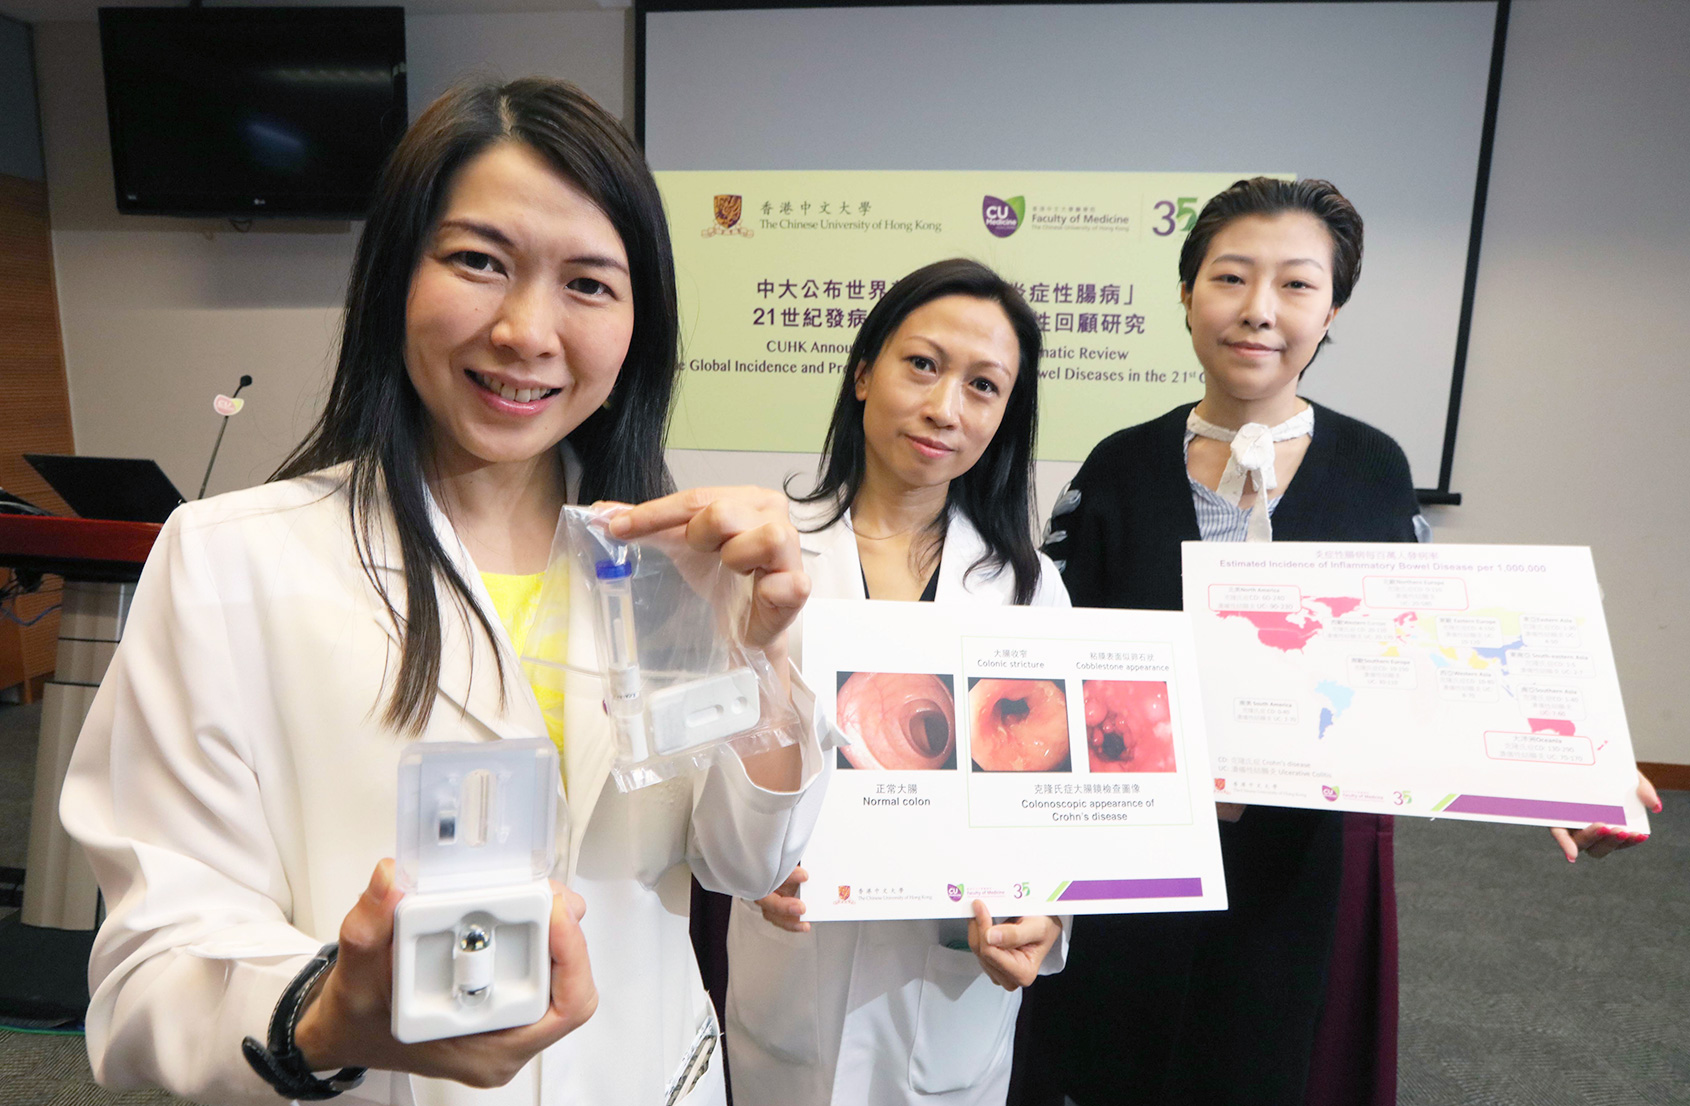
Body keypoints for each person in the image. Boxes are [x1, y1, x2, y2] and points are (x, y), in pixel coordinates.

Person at [60, 78, 828, 1106]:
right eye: (479, 261)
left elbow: (746, 856)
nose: (525, 329)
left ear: (639, 321)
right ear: (394, 276)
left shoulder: (669, 563)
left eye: (590, 283)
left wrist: (764, 654)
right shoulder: (229, 562)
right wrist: (325, 1015)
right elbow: (152, 959)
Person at [1022, 177, 1661, 1106]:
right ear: (1188, 293)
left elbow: (1431, 655)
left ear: (1333, 310)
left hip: (1306, 858)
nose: (1257, 311)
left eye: (1296, 285)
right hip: (1138, 852)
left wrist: (1562, 775)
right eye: (1229, 277)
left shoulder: (1374, 467)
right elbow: (1047, 659)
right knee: (1114, 1061)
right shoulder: (1119, 466)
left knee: (1270, 1060)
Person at [722, 259, 1069, 1105]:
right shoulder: (761, 554)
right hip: (794, 969)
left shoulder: (1028, 592)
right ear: (864, 371)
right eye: (924, 364)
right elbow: (701, 757)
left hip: (946, 994)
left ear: (1003, 418)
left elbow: (1058, 807)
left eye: (983, 386)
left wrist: (1048, 917)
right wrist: (743, 861)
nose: (946, 407)